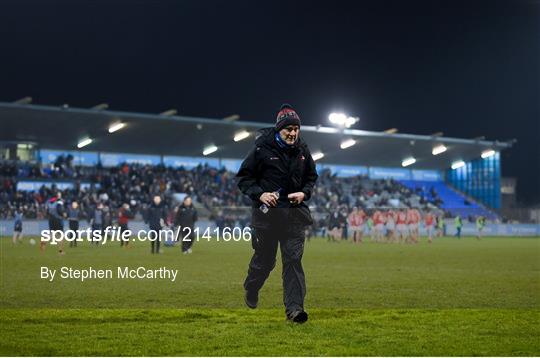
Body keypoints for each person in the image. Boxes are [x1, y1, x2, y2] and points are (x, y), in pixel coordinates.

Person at [236, 104, 318, 323]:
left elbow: (311, 177)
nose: (292, 133)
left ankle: (295, 310)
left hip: (294, 216)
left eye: (295, 129)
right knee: (265, 261)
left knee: (293, 261)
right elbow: (243, 178)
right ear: (279, 129)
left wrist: (304, 193)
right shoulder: (261, 148)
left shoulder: (303, 150)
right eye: (288, 129)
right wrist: (260, 194)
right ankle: (252, 287)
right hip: (266, 218)